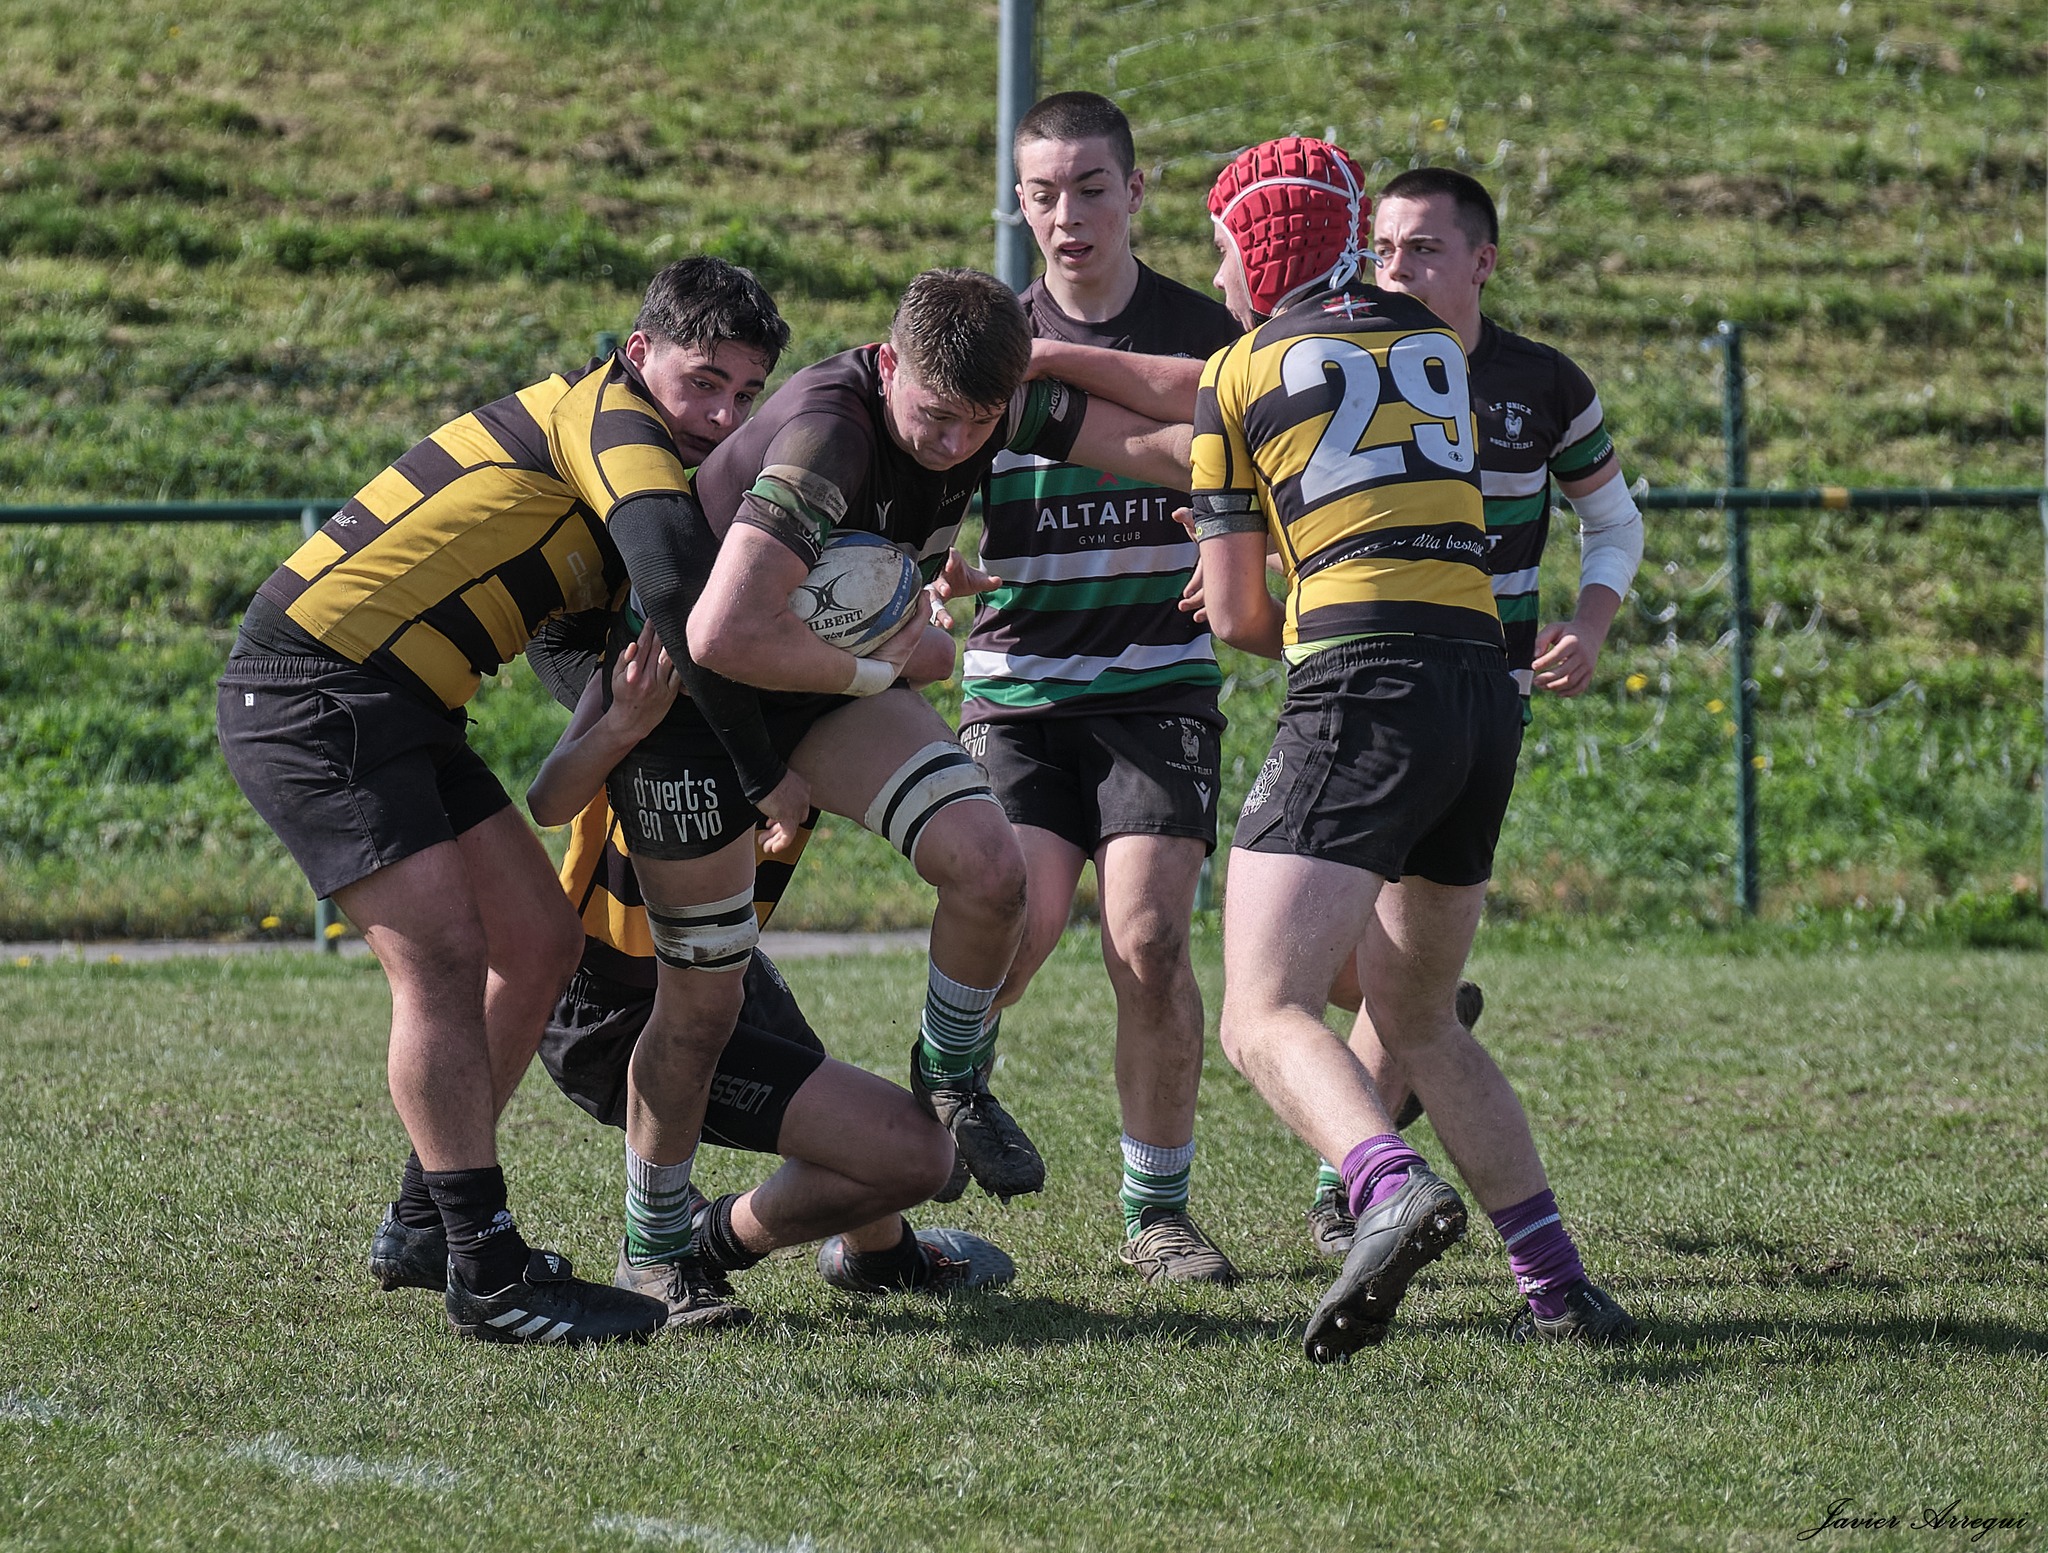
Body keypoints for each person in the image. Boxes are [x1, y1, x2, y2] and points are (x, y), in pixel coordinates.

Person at [587, 268, 1194, 1325]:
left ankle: (951, 1072)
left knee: (988, 867)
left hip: (817, 679)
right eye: (935, 417)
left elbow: (1163, 442)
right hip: (698, 709)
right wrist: (890, 662)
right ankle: (655, 1250)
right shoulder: (831, 433)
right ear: (889, 359)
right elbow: (721, 633)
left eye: (980, 425)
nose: (956, 443)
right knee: (701, 1003)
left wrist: (1259, 473)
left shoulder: (979, 396)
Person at [218, 257, 790, 1345]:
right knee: (437, 964)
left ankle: (424, 1224)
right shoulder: (614, 421)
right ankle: (487, 1270)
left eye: (744, 393)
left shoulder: (619, 449)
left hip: (398, 704)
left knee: (533, 942)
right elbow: (675, 585)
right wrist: (762, 764)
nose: (719, 414)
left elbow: (612, 641)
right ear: (637, 355)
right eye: (702, 380)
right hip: (316, 689)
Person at [1186, 134, 1633, 1361]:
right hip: (1478, 687)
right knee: (1420, 1016)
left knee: (1262, 1009)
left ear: (1256, 247)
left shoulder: (1232, 373)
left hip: (1360, 684)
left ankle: (1383, 1183)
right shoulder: (1432, 345)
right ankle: (1555, 1283)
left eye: (1220, 242)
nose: (1213, 268)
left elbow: (1233, 618)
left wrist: (1291, 589)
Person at [956, 92, 1243, 1285]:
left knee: (1148, 936)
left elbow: (1279, 468)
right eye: (1041, 193)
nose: (1065, 215)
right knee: (1008, 941)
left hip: (1154, 683)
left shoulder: (1208, 332)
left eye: (1088, 187)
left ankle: (1155, 1213)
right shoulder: (976, 341)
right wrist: (918, 567)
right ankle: (944, 1096)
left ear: (1136, 191)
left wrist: (1246, 549)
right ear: (1015, 205)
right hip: (1018, 683)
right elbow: (905, 483)